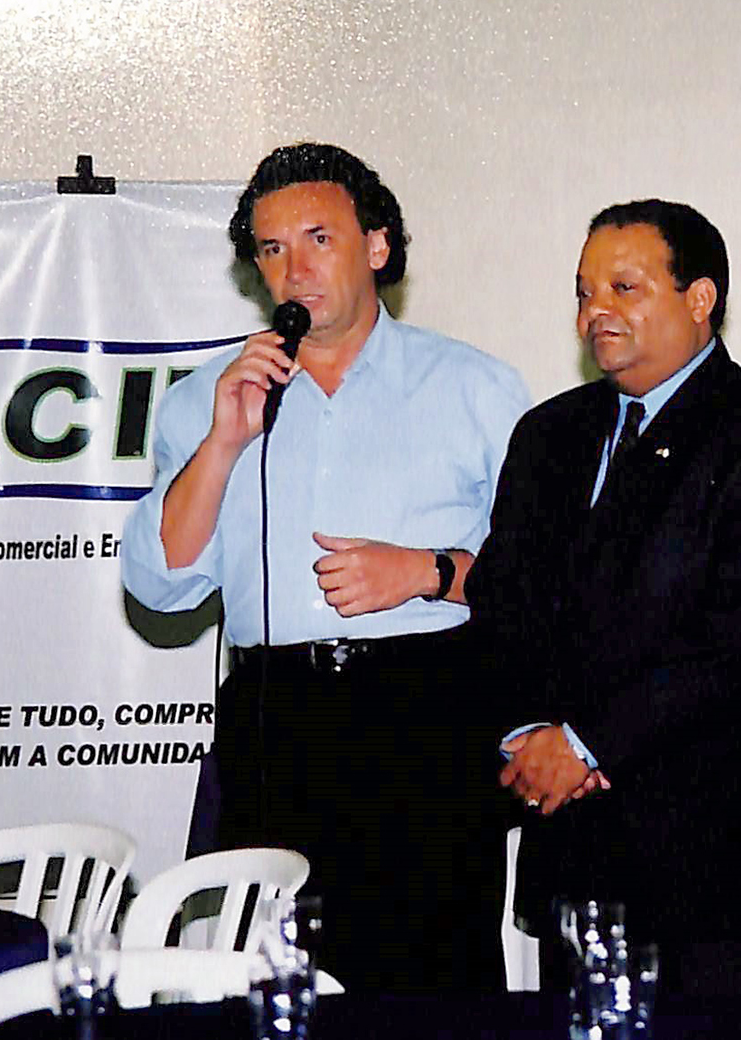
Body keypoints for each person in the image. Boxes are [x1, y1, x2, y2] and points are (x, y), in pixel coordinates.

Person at [121, 142, 529, 993]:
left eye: (318, 239)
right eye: (271, 249)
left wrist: (428, 571)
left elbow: (541, 578)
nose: (294, 269)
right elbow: (159, 585)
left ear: (377, 245)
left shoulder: (476, 387)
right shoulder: (207, 398)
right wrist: (224, 442)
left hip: (427, 710)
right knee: (278, 991)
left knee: (435, 992)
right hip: (276, 718)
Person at [465, 199, 741, 1000]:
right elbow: (502, 605)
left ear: (699, 298)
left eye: (625, 288)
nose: (595, 311)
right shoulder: (547, 435)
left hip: (725, 871)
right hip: (578, 849)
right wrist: (531, 735)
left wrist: (589, 743)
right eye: (583, 292)